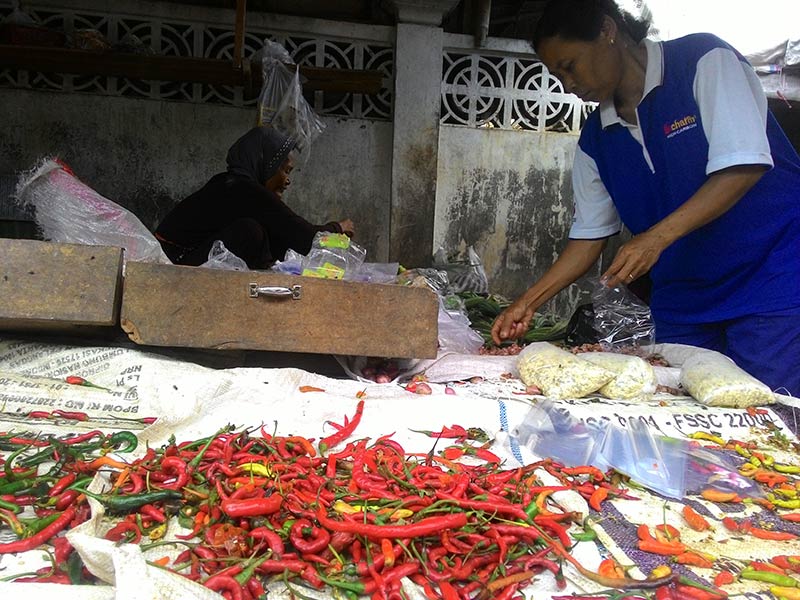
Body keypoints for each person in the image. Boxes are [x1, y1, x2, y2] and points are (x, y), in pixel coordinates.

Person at [492, 0, 800, 395]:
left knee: (769, 415)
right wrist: (528, 302)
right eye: (557, 75)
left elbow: (743, 167)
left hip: (769, 283)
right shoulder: (595, 140)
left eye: (569, 66)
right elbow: (588, 238)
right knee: (683, 418)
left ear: (608, 31)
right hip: (684, 300)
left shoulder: (704, 61)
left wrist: (656, 238)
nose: (568, 84)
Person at [155, 126, 354, 270]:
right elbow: (304, 238)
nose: (287, 181)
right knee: (250, 231)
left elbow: (291, 233)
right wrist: (338, 228)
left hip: (183, 259)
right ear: (265, 163)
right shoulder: (241, 189)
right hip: (175, 266)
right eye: (285, 171)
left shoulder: (230, 184)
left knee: (273, 234)